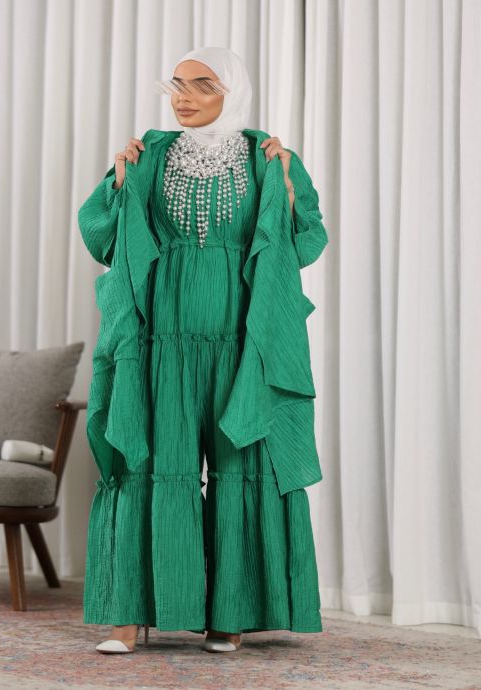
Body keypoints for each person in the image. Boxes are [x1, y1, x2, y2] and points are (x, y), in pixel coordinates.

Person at [77, 46, 328, 654]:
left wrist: (289, 191)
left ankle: (229, 617)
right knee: (151, 463)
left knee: (240, 466)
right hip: (161, 341)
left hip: (241, 340)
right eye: (177, 85)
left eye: (202, 85)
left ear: (232, 91)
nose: (183, 97)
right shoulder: (149, 154)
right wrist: (119, 184)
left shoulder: (269, 158)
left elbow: (307, 240)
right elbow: (104, 237)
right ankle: (129, 617)